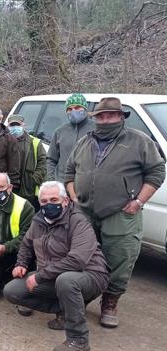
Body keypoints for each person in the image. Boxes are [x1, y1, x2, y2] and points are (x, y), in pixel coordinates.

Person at [65, 97, 165, 328]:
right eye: (100, 116)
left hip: (121, 211)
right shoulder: (84, 141)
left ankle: (110, 301)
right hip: (86, 211)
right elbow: (69, 172)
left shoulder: (139, 141)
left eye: (110, 115)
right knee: (81, 256)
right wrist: (73, 196)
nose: (105, 119)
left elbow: (157, 172)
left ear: (121, 117)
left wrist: (138, 201)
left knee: (120, 258)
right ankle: (79, 299)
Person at [3, 181, 109, 351]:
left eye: (54, 199)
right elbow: (26, 244)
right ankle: (66, 311)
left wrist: (40, 276)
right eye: (44, 201)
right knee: (12, 291)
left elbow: (77, 260)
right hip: (55, 275)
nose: (48, 204)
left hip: (90, 275)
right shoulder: (39, 221)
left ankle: (79, 339)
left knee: (66, 281)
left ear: (66, 201)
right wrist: (20, 263)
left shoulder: (79, 222)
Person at [46, 93, 95, 182]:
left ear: (85, 109)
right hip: (62, 184)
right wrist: (52, 181)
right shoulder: (60, 131)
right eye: (69, 109)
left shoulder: (96, 129)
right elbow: (51, 159)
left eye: (77, 108)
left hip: (86, 185)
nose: (73, 111)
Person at [7, 114, 46, 210]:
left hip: (28, 190)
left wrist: (33, 180)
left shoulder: (35, 142)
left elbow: (43, 162)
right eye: (12, 125)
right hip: (10, 188)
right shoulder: (4, 142)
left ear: (23, 126)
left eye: (18, 125)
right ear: (8, 126)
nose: (15, 127)